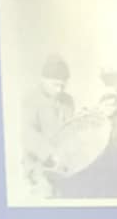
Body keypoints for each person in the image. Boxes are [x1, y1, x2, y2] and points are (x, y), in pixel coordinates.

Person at [19, 54, 75, 195]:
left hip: (64, 165)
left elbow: (71, 129)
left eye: (63, 85)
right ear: (43, 81)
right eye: (55, 85)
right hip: (39, 165)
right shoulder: (31, 100)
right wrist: (49, 154)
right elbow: (28, 134)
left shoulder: (68, 101)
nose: (60, 90)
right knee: (46, 193)